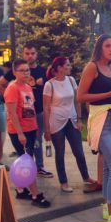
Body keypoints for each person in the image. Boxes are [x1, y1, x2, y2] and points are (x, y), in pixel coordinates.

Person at [77, 34, 111, 222]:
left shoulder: (110, 67)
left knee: (108, 167)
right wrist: (109, 93)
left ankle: (107, 208)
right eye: (108, 46)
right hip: (101, 121)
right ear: (99, 48)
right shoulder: (92, 67)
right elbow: (80, 96)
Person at [0, 43, 53, 178]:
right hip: (20, 117)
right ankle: (24, 177)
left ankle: (38, 167)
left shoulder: (42, 71)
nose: (30, 56)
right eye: (27, 53)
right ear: (23, 54)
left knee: (36, 142)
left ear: (37, 54)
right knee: (24, 148)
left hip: (37, 112)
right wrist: (12, 101)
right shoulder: (14, 75)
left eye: (32, 53)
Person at [43, 56, 96, 192]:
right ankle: (63, 182)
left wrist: (79, 119)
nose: (70, 67)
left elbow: (77, 101)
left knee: (79, 151)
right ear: (60, 68)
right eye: (67, 65)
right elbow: (46, 108)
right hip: (56, 122)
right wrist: (47, 129)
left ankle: (86, 177)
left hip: (72, 121)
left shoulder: (71, 80)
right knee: (60, 153)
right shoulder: (49, 85)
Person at [4, 59, 51, 207]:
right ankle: (35, 195)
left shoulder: (27, 87)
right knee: (28, 163)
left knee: (25, 160)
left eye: (27, 70)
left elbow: (31, 109)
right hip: (19, 131)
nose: (26, 73)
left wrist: (35, 129)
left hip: (30, 129)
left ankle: (20, 189)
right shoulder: (12, 88)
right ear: (14, 72)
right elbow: (12, 114)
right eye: (22, 70)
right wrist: (20, 133)